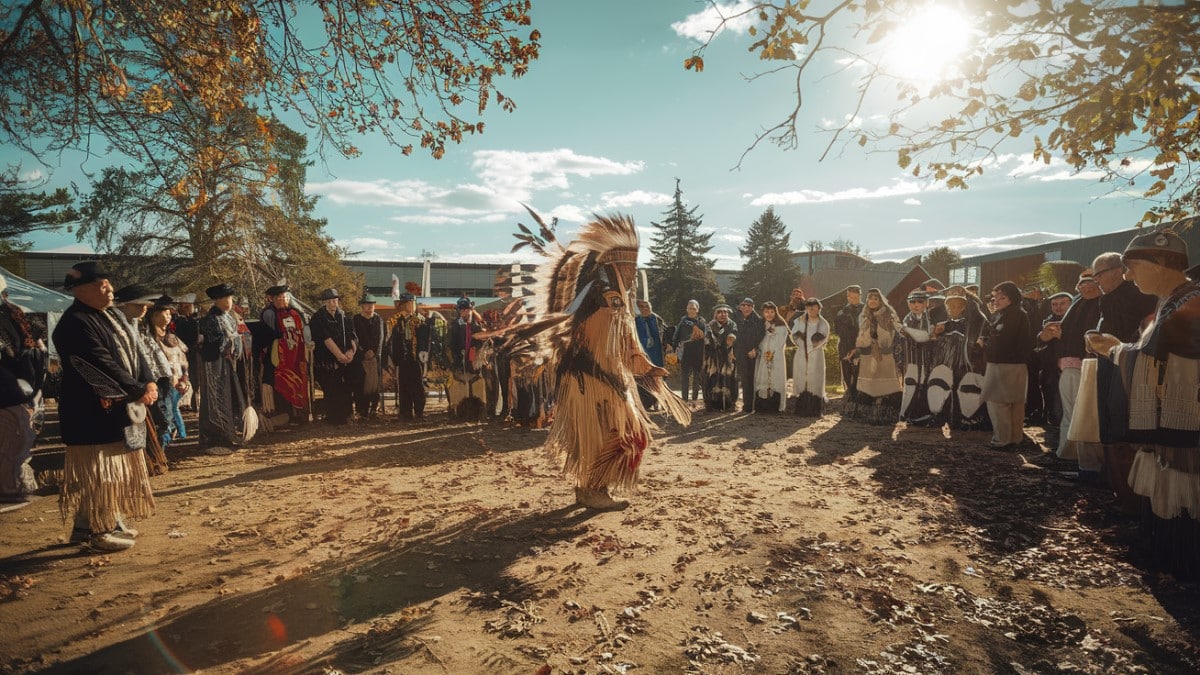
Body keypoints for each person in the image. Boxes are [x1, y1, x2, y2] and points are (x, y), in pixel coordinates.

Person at [500, 212, 689, 510]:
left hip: (603, 379)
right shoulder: (604, 296)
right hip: (591, 380)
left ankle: (590, 488)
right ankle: (592, 490)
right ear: (615, 265)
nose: (632, 275)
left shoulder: (611, 298)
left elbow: (625, 344)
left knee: (608, 435)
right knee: (615, 435)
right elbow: (598, 337)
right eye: (630, 268)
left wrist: (647, 368)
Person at [1086, 228, 1200, 577]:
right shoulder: (1169, 301)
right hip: (1167, 423)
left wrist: (1114, 350)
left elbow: (1164, 355)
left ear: (1163, 261)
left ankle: (1180, 561)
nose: (1129, 275)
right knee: (1164, 482)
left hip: (1185, 423)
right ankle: (1163, 550)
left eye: (1133, 266)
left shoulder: (1192, 300)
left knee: (1181, 486)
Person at [53, 262, 157, 552]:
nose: (110, 289)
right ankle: (99, 530)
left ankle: (95, 522)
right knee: (100, 471)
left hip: (116, 407)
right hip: (90, 411)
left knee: (113, 469)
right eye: (102, 285)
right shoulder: (74, 323)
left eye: (108, 283)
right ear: (80, 290)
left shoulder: (110, 317)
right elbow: (99, 363)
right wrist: (136, 389)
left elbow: (136, 351)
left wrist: (148, 381)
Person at [0, 274, 46, 505]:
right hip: (14, 387)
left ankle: (12, 484)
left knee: (20, 436)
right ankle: (10, 485)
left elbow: (29, 345)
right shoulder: (13, 314)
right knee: (15, 435)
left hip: (17, 386)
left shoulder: (13, 314)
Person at [1053, 272, 1102, 461]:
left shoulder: (1104, 303)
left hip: (1091, 364)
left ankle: (1085, 457)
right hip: (1069, 364)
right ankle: (1067, 451)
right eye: (1082, 284)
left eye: (1090, 283)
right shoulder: (1076, 304)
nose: (1085, 287)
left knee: (1086, 413)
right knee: (1070, 410)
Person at [198, 283, 250, 453]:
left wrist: (237, 342)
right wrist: (230, 341)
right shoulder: (210, 319)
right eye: (225, 298)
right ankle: (216, 437)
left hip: (228, 363)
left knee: (229, 396)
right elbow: (213, 343)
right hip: (214, 364)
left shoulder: (229, 317)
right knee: (216, 397)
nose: (229, 301)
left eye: (230, 298)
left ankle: (229, 433)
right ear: (217, 300)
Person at [980, 281, 1032, 449]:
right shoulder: (1017, 314)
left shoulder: (1010, 315)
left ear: (1012, 299)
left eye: (1002, 298)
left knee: (997, 403)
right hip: (1017, 365)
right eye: (995, 297)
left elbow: (1002, 341)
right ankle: (1015, 438)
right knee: (1015, 405)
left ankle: (1001, 439)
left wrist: (985, 343)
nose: (997, 301)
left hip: (1002, 365)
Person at [934, 285, 989, 430]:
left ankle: (970, 419)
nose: (952, 309)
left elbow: (981, 334)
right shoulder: (947, 323)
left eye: (957, 305)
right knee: (951, 386)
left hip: (969, 361)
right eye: (950, 305)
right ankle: (954, 418)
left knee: (965, 387)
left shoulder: (976, 317)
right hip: (951, 361)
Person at [849, 288, 902, 424]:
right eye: (870, 298)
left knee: (884, 385)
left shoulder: (887, 315)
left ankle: (885, 416)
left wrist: (881, 346)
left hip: (884, 355)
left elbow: (895, 333)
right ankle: (867, 415)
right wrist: (860, 349)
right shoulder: (866, 316)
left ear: (880, 300)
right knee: (868, 385)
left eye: (875, 298)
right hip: (867, 355)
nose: (872, 301)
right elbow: (861, 336)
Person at [258, 284, 309, 425]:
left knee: (297, 384)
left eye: (286, 297)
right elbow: (268, 337)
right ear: (272, 299)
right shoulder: (269, 313)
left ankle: (298, 414)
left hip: (296, 358)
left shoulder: (294, 313)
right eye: (280, 297)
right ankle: (283, 416)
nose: (284, 300)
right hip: (278, 359)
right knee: (281, 385)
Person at [309, 288, 358, 426]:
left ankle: (348, 416)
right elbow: (325, 338)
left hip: (345, 360)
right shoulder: (318, 318)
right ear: (324, 302)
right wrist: (339, 355)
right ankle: (335, 418)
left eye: (335, 300)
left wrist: (350, 352)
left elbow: (352, 335)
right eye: (330, 301)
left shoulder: (343, 316)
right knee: (332, 388)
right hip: (326, 360)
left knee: (348, 387)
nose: (333, 303)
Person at [146, 300, 188, 457]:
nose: (169, 315)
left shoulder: (172, 337)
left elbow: (183, 360)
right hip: (158, 386)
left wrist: (184, 379)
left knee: (170, 421)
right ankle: (156, 456)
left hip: (175, 386)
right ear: (155, 315)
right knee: (164, 422)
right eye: (166, 312)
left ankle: (160, 455)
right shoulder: (148, 338)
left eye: (170, 313)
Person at [1035, 290, 1074, 443]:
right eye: (1054, 304)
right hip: (1050, 369)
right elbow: (1039, 342)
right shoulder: (1049, 320)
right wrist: (1043, 337)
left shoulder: (1075, 320)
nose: (1058, 307)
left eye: (1062, 304)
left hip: (1070, 368)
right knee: (1053, 404)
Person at [898, 290, 937, 426]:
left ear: (926, 303)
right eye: (912, 302)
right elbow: (923, 336)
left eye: (920, 302)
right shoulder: (908, 319)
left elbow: (926, 336)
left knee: (924, 383)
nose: (916, 305)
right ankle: (905, 414)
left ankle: (921, 415)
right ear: (908, 304)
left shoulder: (930, 317)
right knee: (911, 384)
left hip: (926, 357)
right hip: (911, 357)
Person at [387, 293, 427, 419]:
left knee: (418, 385)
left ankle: (419, 411)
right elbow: (390, 340)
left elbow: (425, 340)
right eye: (405, 304)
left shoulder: (421, 320)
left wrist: (424, 353)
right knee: (403, 386)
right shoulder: (395, 321)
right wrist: (393, 358)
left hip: (416, 357)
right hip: (402, 358)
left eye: (410, 303)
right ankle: (405, 412)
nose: (408, 306)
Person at [791, 297, 829, 416]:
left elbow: (823, 337)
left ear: (818, 308)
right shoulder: (799, 321)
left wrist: (813, 347)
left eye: (814, 306)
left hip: (815, 353)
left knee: (815, 379)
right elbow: (794, 335)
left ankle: (814, 410)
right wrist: (802, 343)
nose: (811, 309)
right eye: (808, 306)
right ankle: (801, 409)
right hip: (802, 352)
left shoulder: (823, 323)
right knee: (802, 379)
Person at [352, 293, 385, 419]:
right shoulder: (356, 320)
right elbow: (354, 338)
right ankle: (362, 410)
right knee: (361, 384)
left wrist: (375, 353)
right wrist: (363, 351)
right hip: (361, 358)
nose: (369, 307)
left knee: (375, 384)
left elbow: (381, 338)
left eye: (371, 304)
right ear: (362, 306)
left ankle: (374, 409)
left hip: (375, 358)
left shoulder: (379, 319)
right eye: (367, 305)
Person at [753, 302, 790, 413]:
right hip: (763, 355)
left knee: (776, 378)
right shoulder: (761, 325)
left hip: (776, 356)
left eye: (771, 312)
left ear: (775, 312)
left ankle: (777, 406)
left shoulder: (781, 326)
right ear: (763, 313)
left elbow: (780, 342)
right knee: (763, 377)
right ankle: (763, 404)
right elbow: (758, 339)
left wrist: (771, 351)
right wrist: (763, 349)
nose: (769, 314)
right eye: (766, 312)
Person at [702, 304, 738, 412]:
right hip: (713, 357)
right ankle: (709, 403)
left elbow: (735, 335)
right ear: (715, 314)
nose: (722, 314)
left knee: (731, 379)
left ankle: (731, 403)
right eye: (720, 312)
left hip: (728, 355)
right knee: (709, 379)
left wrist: (732, 338)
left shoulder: (732, 325)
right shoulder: (710, 325)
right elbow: (706, 340)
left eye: (725, 312)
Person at [634, 299, 668, 410]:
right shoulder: (634, 320)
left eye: (647, 306)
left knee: (657, 378)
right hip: (641, 356)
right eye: (642, 307)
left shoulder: (657, 319)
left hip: (656, 355)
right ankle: (643, 403)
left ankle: (657, 401)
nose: (645, 309)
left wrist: (668, 345)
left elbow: (666, 333)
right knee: (642, 380)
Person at [732, 297, 765, 413]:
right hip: (739, 353)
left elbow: (762, 337)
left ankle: (750, 406)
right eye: (743, 305)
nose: (746, 308)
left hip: (753, 354)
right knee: (742, 380)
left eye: (749, 306)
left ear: (753, 307)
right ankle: (743, 405)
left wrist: (755, 349)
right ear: (740, 307)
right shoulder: (736, 319)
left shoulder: (758, 321)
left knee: (752, 380)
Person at [670, 300, 707, 403]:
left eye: (694, 308)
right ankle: (685, 399)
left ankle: (694, 398)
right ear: (687, 309)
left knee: (697, 375)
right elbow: (676, 335)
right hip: (686, 350)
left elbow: (706, 334)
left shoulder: (701, 322)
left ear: (697, 310)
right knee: (685, 375)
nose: (692, 310)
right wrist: (674, 347)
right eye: (690, 308)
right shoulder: (683, 321)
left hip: (698, 351)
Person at [171, 293, 202, 411]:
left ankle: (195, 403)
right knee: (190, 378)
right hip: (187, 354)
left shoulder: (190, 320)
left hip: (192, 354)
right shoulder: (181, 322)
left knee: (195, 379)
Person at [833, 286, 863, 397]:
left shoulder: (867, 311)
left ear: (860, 295)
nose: (853, 299)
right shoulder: (842, 312)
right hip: (845, 346)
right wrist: (849, 346)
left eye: (856, 296)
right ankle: (850, 395)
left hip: (861, 345)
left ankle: (858, 397)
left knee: (859, 373)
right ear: (847, 296)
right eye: (851, 296)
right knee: (846, 373)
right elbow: (838, 331)